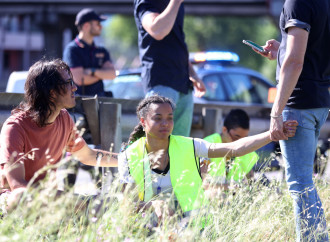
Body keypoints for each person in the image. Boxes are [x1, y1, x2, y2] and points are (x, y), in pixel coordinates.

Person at [118, 95, 298, 224]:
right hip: (149, 226)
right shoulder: (128, 155)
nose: (165, 123)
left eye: (170, 118)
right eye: (158, 118)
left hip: (193, 225)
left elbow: (234, 148)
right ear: (143, 122)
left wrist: (272, 134)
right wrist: (155, 204)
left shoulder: (189, 145)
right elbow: (128, 205)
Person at [254, 0, 330, 240]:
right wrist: (281, 51)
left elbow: (295, 62)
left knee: (300, 185)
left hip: (298, 103)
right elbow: (311, 51)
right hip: (318, 100)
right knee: (304, 183)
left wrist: (276, 111)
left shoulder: (297, 2)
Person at [0, 59, 118, 212]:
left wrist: (124, 160)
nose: (75, 87)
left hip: (51, 199)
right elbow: (18, 186)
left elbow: (87, 155)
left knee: (102, 204)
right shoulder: (15, 127)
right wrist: (65, 200)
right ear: (52, 92)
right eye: (69, 83)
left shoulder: (63, 118)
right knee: (21, 196)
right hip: (13, 200)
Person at [133, 0, 206, 137]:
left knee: (180, 144)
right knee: (157, 145)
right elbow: (157, 31)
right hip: (161, 80)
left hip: (183, 83)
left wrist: (193, 74)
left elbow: (176, 43)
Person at [63, 8, 116, 97]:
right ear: (86, 26)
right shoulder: (72, 49)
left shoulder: (101, 50)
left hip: (100, 101)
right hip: (80, 104)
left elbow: (112, 74)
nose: (101, 27)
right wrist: (102, 74)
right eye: (98, 24)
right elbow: (79, 79)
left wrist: (92, 71)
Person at [203, 109, 259, 186]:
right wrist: (231, 187)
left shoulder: (246, 150)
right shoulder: (208, 144)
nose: (241, 143)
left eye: (244, 138)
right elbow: (202, 183)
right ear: (224, 130)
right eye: (236, 137)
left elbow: (251, 184)